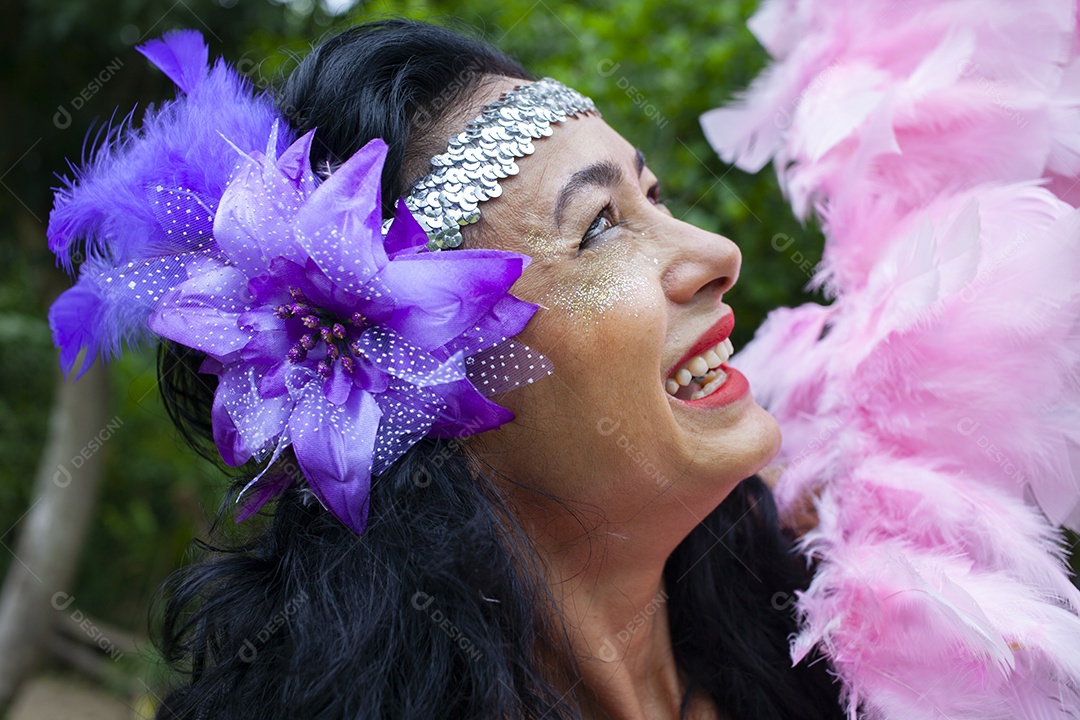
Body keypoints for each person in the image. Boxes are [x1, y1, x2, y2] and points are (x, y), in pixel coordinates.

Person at [46, 18, 844, 720]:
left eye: (654, 196)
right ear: (415, 398)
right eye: (600, 229)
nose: (716, 253)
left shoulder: (847, 619)